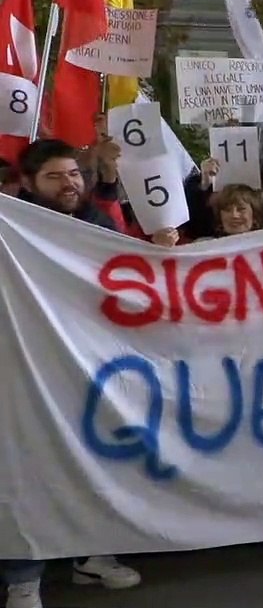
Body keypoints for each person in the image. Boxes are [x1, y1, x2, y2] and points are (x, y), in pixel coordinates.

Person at [7, 140, 143, 608]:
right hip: (25, 366)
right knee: (28, 468)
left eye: (73, 175)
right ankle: (23, 577)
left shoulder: (96, 222)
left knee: (94, 461)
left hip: (90, 364)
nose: (69, 184)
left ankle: (91, 556)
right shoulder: (11, 228)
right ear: (27, 184)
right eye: (55, 177)